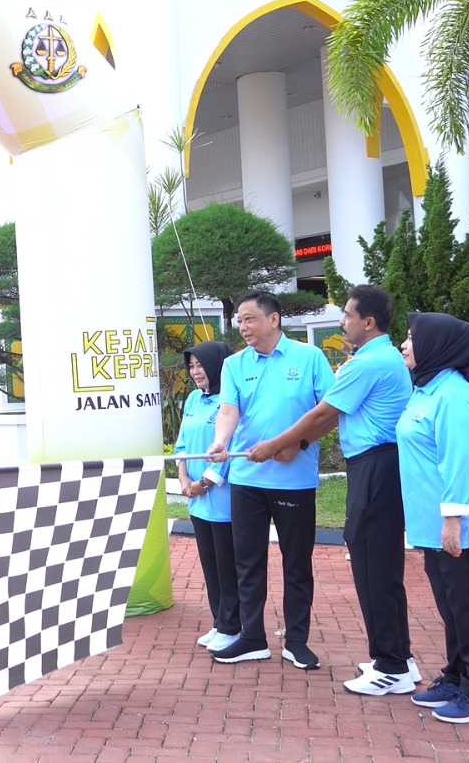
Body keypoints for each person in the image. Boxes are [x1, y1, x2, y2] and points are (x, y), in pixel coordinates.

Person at [247, 285, 418, 694]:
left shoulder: (367, 363)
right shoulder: (381, 358)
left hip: (376, 467)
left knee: (373, 564)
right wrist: (301, 443)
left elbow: (322, 412)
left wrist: (274, 444)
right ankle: (399, 657)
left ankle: (391, 666)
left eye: (347, 315)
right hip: (378, 466)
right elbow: (331, 417)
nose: (341, 322)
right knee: (380, 564)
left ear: (368, 322)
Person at [206, 292, 336, 668]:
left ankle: (296, 641)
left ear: (273, 319)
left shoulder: (309, 357)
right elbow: (229, 410)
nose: (242, 327)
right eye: (239, 321)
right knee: (247, 561)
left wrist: (300, 443)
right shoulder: (234, 364)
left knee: (297, 563)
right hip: (247, 478)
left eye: (249, 319)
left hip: (294, 481)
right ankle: (252, 638)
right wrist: (221, 441)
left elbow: (330, 412)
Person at [398, 312, 469, 723]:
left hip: (462, 524)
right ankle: (458, 676)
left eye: (412, 338)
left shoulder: (455, 396)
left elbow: (459, 462)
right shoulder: (427, 389)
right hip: (433, 522)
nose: (405, 345)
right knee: (451, 605)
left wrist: (454, 520)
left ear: (437, 346)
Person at [174, 341, 237, 654]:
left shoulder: (229, 402)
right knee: (210, 565)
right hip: (196, 499)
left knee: (227, 566)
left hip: (221, 498)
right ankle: (219, 621)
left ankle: (233, 626)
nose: (196, 371)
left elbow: (231, 447)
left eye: (201, 365)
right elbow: (182, 444)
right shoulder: (193, 399)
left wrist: (203, 483)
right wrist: (184, 479)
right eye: (191, 366)